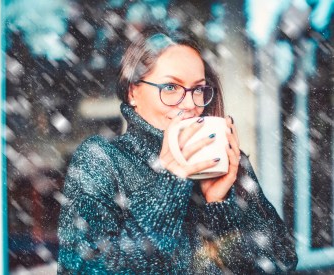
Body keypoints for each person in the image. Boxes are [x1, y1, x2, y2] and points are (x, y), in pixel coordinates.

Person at [57, 28, 298, 274]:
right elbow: (85, 268)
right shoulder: (103, 158)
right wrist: (170, 182)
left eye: (198, 89)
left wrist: (220, 206)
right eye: (171, 87)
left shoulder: (225, 159)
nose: (191, 105)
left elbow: (282, 262)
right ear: (133, 92)